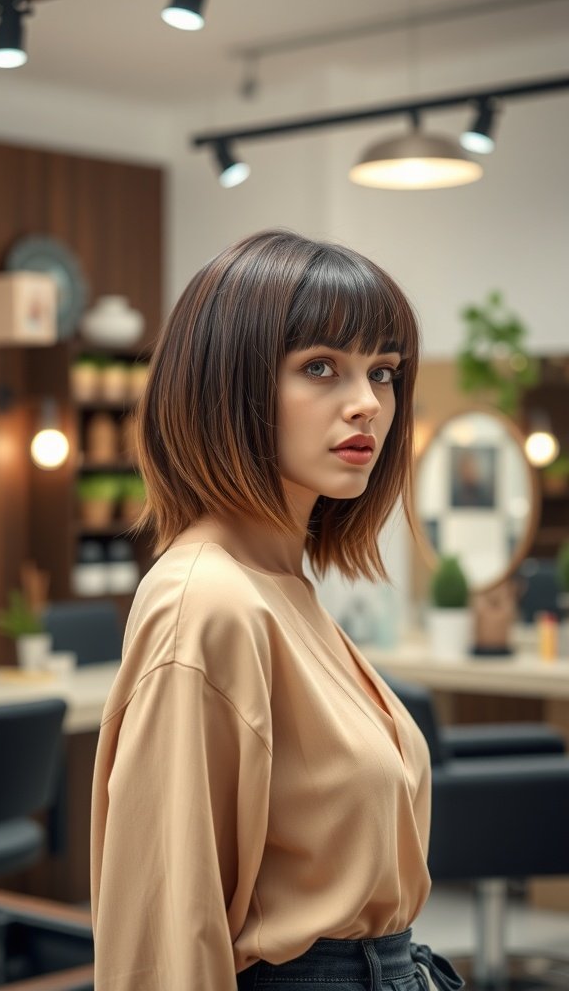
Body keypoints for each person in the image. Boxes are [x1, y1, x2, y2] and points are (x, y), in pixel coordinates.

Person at [90, 229, 464, 991]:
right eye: (320, 367)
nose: (367, 404)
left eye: (384, 372)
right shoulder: (208, 603)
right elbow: (165, 934)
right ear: (231, 383)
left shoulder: (281, 590)